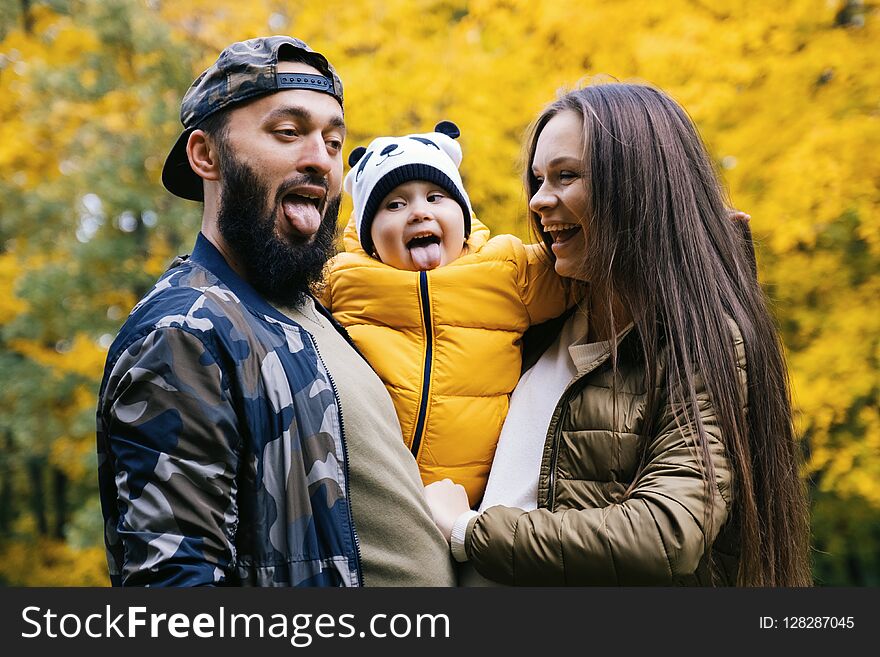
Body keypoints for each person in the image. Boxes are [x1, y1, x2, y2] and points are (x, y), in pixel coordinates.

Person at [96, 36, 455, 587]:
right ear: (206, 155)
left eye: (334, 142)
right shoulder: (186, 332)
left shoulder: (313, 316)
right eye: (288, 133)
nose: (320, 160)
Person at [424, 83, 812, 586]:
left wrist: (466, 531)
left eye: (566, 176)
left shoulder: (704, 339)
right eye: (538, 179)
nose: (539, 200)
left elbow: (669, 530)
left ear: (638, 187)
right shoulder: (533, 318)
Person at [320, 122, 570, 506]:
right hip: (372, 496)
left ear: (464, 215)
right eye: (394, 204)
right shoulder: (343, 278)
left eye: (436, 197)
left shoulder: (507, 269)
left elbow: (586, 272)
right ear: (369, 236)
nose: (419, 212)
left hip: (476, 501)